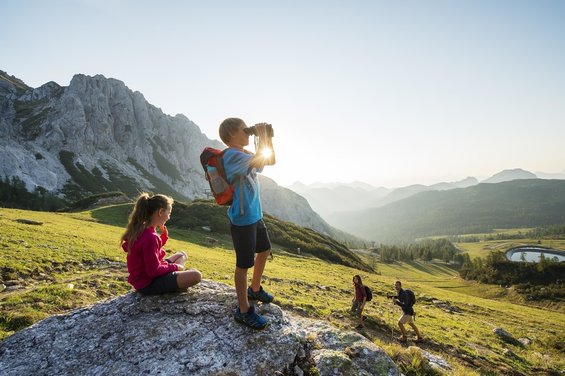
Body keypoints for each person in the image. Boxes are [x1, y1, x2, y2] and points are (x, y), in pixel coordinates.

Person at [219, 117, 275, 330]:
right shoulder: (232, 156)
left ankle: (255, 288)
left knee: (265, 249)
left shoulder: (243, 154)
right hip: (243, 218)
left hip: (254, 215)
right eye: (245, 130)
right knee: (243, 264)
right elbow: (267, 160)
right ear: (232, 134)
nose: (248, 132)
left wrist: (265, 138)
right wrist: (262, 136)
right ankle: (243, 310)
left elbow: (268, 161)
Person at [121, 193, 202, 294]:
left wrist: (162, 238)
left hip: (143, 279)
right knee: (196, 275)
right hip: (148, 284)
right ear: (160, 212)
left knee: (182, 254)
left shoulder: (141, 230)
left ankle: (177, 277)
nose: (168, 217)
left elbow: (147, 250)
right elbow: (153, 271)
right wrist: (176, 267)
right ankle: (177, 279)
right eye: (169, 213)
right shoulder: (151, 237)